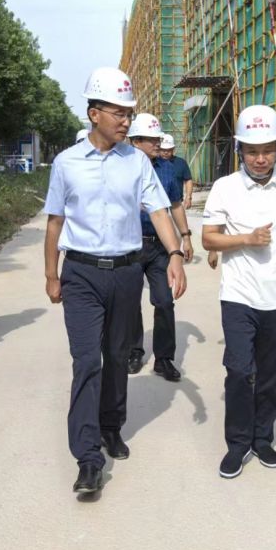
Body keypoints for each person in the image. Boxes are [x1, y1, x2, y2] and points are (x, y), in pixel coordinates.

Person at [44, 67, 188, 494]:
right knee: (88, 360)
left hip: (126, 272)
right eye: (118, 113)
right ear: (94, 113)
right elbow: (55, 221)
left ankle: (111, 426)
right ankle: (88, 457)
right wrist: (51, 274)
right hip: (81, 273)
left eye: (129, 113)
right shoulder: (66, 163)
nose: (126, 121)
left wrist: (175, 253)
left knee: (117, 354)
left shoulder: (137, 162)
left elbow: (158, 210)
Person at [201, 104, 276, 479]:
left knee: (269, 375)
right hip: (238, 296)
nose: (260, 158)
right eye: (252, 151)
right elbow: (208, 238)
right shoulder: (225, 188)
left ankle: (262, 438)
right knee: (240, 371)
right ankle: (237, 445)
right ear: (240, 150)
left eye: (268, 150)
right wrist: (246, 239)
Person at [126, 114, 193, 380]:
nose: (158, 143)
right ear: (136, 141)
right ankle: (133, 351)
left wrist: (185, 236)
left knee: (165, 301)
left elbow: (175, 205)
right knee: (130, 301)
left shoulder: (167, 169)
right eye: (151, 139)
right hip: (130, 246)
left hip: (159, 247)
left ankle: (164, 359)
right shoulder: (122, 168)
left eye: (158, 138)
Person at [159, 134, 194, 209]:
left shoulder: (181, 163)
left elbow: (188, 180)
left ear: (173, 149)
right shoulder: (153, 163)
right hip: (159, 203)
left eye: (168, 150)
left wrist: (188, 197)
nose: (166, 152)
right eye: (163, 150)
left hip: (176, 202)